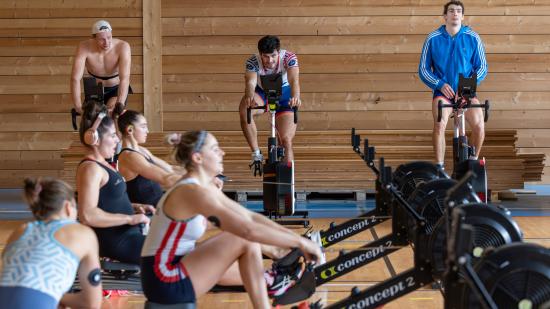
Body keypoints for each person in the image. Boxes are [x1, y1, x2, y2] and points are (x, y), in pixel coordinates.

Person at [140, 131, 322, 308]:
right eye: (215, 148)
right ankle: (271, 286)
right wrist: (300, 243)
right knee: (242, 237)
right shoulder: (192, 192)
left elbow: (249, 217)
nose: (222, 153)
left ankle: (268, 294)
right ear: (197, 158)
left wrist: (294, 240)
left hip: (171, 268)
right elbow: (247, 229)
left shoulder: (202, 187)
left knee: (246, 240)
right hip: (164, 278)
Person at [0, 177, 102, 309]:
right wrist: (58, 295)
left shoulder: (20, 231)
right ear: (68, 207)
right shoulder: (82, 233)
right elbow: (91, 304)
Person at [76, 100, 153, 264]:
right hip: (119, 242)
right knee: (179, 252)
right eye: (112, 136)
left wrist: (134, 207)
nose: (117, 140)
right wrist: (129, 219)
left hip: (128, 235)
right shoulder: (91, 169)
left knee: (182, 246)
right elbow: (87, 215)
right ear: (94, 139)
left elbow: (106, 203)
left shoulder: (103, 165)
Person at [418, 0, 488, 168]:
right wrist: (440, 84)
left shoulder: (473, 37)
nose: (455, 13)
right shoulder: (433, 38)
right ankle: (440, 168)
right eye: (451, 11)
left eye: (458, 11)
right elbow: (423, 69)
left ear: (463, 16)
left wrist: (466, 88)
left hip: (466, 91)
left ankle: (472, 164)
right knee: (439, 123)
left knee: (479, 125)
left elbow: (482, 67)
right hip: (444, 92)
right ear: (445, 16)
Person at [239, 35, 302, 169]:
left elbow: (294, 80)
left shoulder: (288, 57)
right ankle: (256, 153)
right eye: (266, 57)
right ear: (260, 54)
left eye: (273, 56)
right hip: (263, 92)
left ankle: (288, 178)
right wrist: (249, 97)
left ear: (278, 52)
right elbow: (250, 82)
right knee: (245, 109)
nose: (270, 60)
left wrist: (295, 97)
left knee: (286, 140)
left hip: (284, 94)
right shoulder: (253, 61)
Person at [116, 110, 184, 206]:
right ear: (130, 130)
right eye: (143, 126)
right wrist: (202, 181)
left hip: (159, 204)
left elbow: (170, 169)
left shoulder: (141, 151)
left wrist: (206, 176)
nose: (147, 131)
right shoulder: (129, 157)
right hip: (148, 212)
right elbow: (166, 179)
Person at [71, 20, 132, 115]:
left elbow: (125, 78)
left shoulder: (122, 47)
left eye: (109, 37)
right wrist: (78, 106)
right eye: (101, 39)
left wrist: (120, 103)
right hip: (95, 88)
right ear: (94, 38)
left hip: (115, 88)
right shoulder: (84, 47)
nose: (106, 42)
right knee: (91, 117)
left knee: (111, 113)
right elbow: (75, 78)